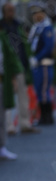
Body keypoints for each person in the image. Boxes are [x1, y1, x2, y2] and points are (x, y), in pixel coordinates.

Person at [0, 2, 38, 134]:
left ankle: (25, 123)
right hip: (6, 67)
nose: (11, 12)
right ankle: (9, 126)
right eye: (9, 10)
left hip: (20, 64)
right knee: (8, 96)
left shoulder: (18, 25)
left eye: (12, 10)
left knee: (23, 95)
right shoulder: (1, 26)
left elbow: (24, 46)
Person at [28, 3, 55, 125]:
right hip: (38, 64)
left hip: (44, 63)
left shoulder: (47, 27)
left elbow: (48, 47)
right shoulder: (37, 27)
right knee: (39, 90)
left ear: (43, 14)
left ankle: (47, 116)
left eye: (38, 13)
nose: (35, 15)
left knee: (44, 90)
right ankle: (43, 116)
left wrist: (37, 58)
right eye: (34, 13)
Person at [0, 24, 22, 160]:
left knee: (1, 116)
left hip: (1, 80)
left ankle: (1, 146)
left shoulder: (2, 37)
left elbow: (10, 56)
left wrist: (14, 76)